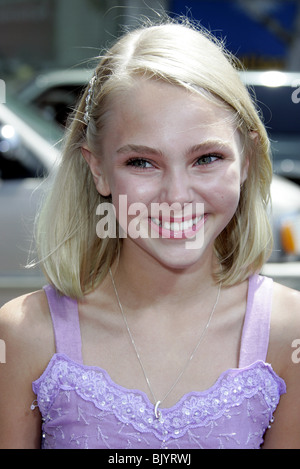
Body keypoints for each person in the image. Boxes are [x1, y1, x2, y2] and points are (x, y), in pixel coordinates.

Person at [0, 17, 300, 450]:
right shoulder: (27, 335)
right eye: (142, 162)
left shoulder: (287, 333)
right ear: (97, 167)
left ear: (248, 159)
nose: (176, 196)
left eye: (207, 158)